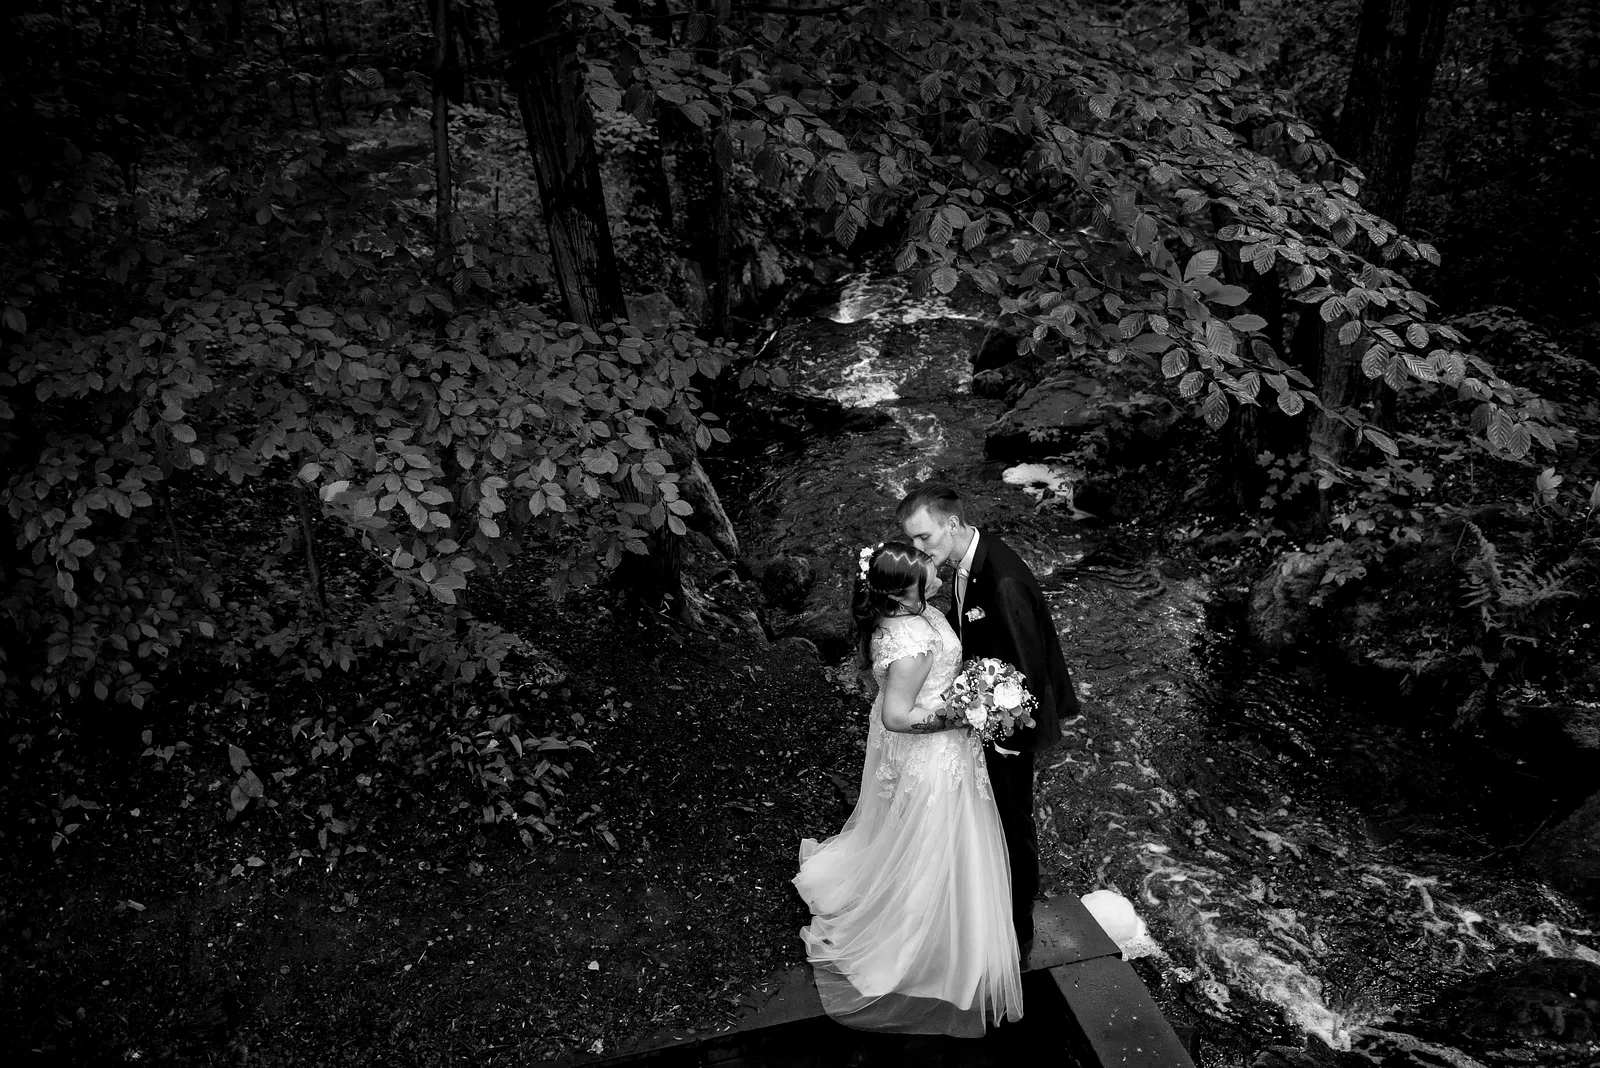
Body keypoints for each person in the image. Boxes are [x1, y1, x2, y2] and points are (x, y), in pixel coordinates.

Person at [793, 542, 1023, 1037]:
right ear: (901, 595)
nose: (938, 576)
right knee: (932, 839)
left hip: (934, 748)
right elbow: (898, 716)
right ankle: (922, 945)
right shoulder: (913, 643)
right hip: (933, 753)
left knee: (920, 834)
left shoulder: (911, 617)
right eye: (928, 576)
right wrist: (966, 712)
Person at [898, 484, 1079, 953]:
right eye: (911, 541)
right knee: (994, 815)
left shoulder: (1001, 580)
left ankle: (1018, 927)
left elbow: (1027, 669)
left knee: (1013, 819)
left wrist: (1007, 740)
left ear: (952, 525)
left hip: (1010, 725)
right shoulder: (967, 565)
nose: (917, 550)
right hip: (984, 712)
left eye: (923, 538)